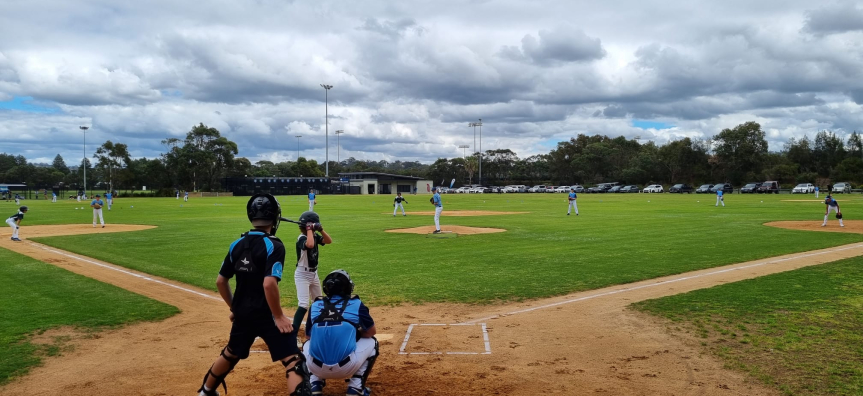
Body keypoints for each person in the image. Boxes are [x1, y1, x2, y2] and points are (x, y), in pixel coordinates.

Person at [197, 194, 312, 396]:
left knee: (231, 353)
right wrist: (278, 316)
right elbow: (269, 284)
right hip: (267, 315)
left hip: (243, 315)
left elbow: (220, 281)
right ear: (275, 217)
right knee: (294, 362)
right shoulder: (274, 245)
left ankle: (205, 391)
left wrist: (235, 308)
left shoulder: (237, 244)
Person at [304, 270, 378, 396]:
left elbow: (309, 336)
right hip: (347, 367)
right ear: (348, 287)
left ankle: (314, 384)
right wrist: (354, 335)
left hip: (315, 366)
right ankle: (355, 387)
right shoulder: (356, 304)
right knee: (373, 342)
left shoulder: (315, 305)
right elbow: (371, 331)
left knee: (307, 343)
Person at [292, 211, 333, 339]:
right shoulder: (302, 238)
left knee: (319, 302)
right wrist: (310, 230)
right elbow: (309, 245)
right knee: (304, 304)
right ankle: (292, 336)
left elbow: (328, 241)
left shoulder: (314, 235)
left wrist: (321, 230)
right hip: (302, 274)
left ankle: (317, 329)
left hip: (313, 273)